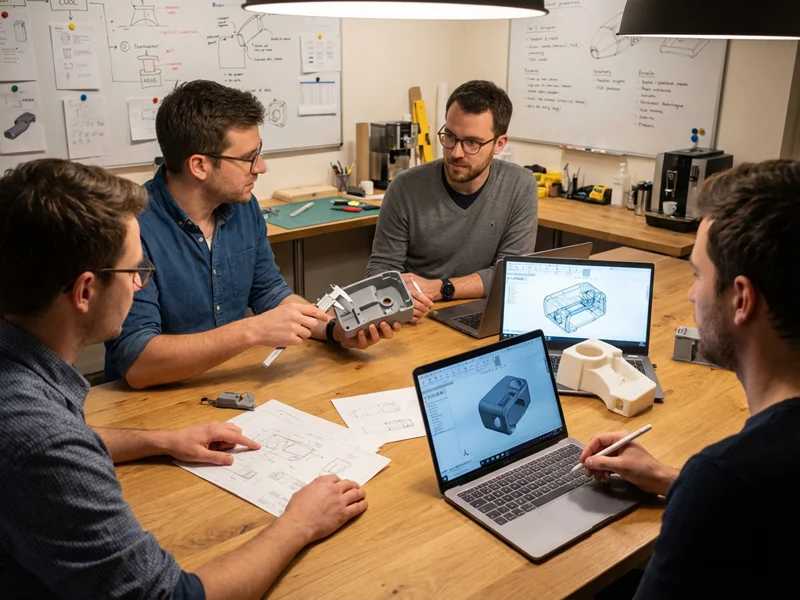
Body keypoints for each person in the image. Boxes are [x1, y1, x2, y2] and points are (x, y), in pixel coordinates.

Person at [0, 158, 368, 599]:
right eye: (135, 272)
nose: (140, 285)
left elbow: (63, 438)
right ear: (84, 291)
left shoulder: (24, 377)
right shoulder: (42, 441)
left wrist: (160, 440)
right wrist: (298, 524)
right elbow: (172, 596)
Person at [579, 159, 800, 598]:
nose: (690, 293)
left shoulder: (725, 479)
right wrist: (669, 479)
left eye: (699, 275)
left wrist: (700, 491)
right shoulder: (739, 480)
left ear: (741, 299)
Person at [105, 80, 400, 389]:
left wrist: (335, 330)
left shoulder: (242, 207)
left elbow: (269, 293)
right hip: (153, 401)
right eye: (248, 158)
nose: (261, 167)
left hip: (228, 384)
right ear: (199, 165)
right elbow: (137, 363)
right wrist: (252, 331)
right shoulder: (130, 229)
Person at [365, 80, 538, 321]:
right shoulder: (405, 187)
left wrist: (441, 288)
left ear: (499, 144)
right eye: (450, 136)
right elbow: (380, 270)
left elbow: (511, 275)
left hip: (481, 314)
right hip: (420, 317)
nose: (456, 152)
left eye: (472, 143)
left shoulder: (520, 185)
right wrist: (395, 296)